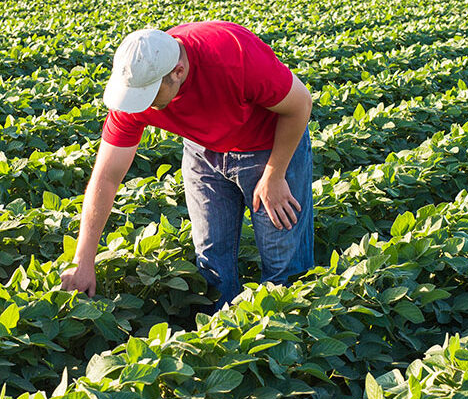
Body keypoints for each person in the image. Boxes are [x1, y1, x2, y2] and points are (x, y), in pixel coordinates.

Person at [60, 21, 315, 311]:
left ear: (178, 72)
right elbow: (106, 177)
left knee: (283, 260)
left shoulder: (232, 56)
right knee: (211, 261)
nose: (141, 105)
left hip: (269, 145)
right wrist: (83, 258)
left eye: (150, 95)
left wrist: (274, 175)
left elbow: (300, 105)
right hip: (203, 151)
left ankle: (288, 341)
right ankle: (223, 340)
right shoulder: (135, 88)